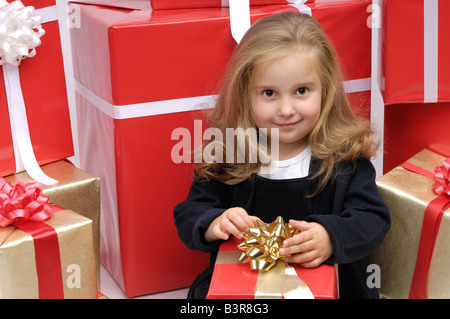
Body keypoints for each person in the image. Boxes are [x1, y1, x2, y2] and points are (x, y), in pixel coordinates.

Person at [173, 11, 390, 299]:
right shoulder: (229, 155)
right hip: (246, 286)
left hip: (329, 287)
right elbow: (189, 213)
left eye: (301, 91)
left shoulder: (344, 159)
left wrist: (330, 237)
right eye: (269, 93)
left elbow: (373, 219)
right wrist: (215, 222)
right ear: (244, 94)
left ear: (325, 91)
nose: (286, 110)